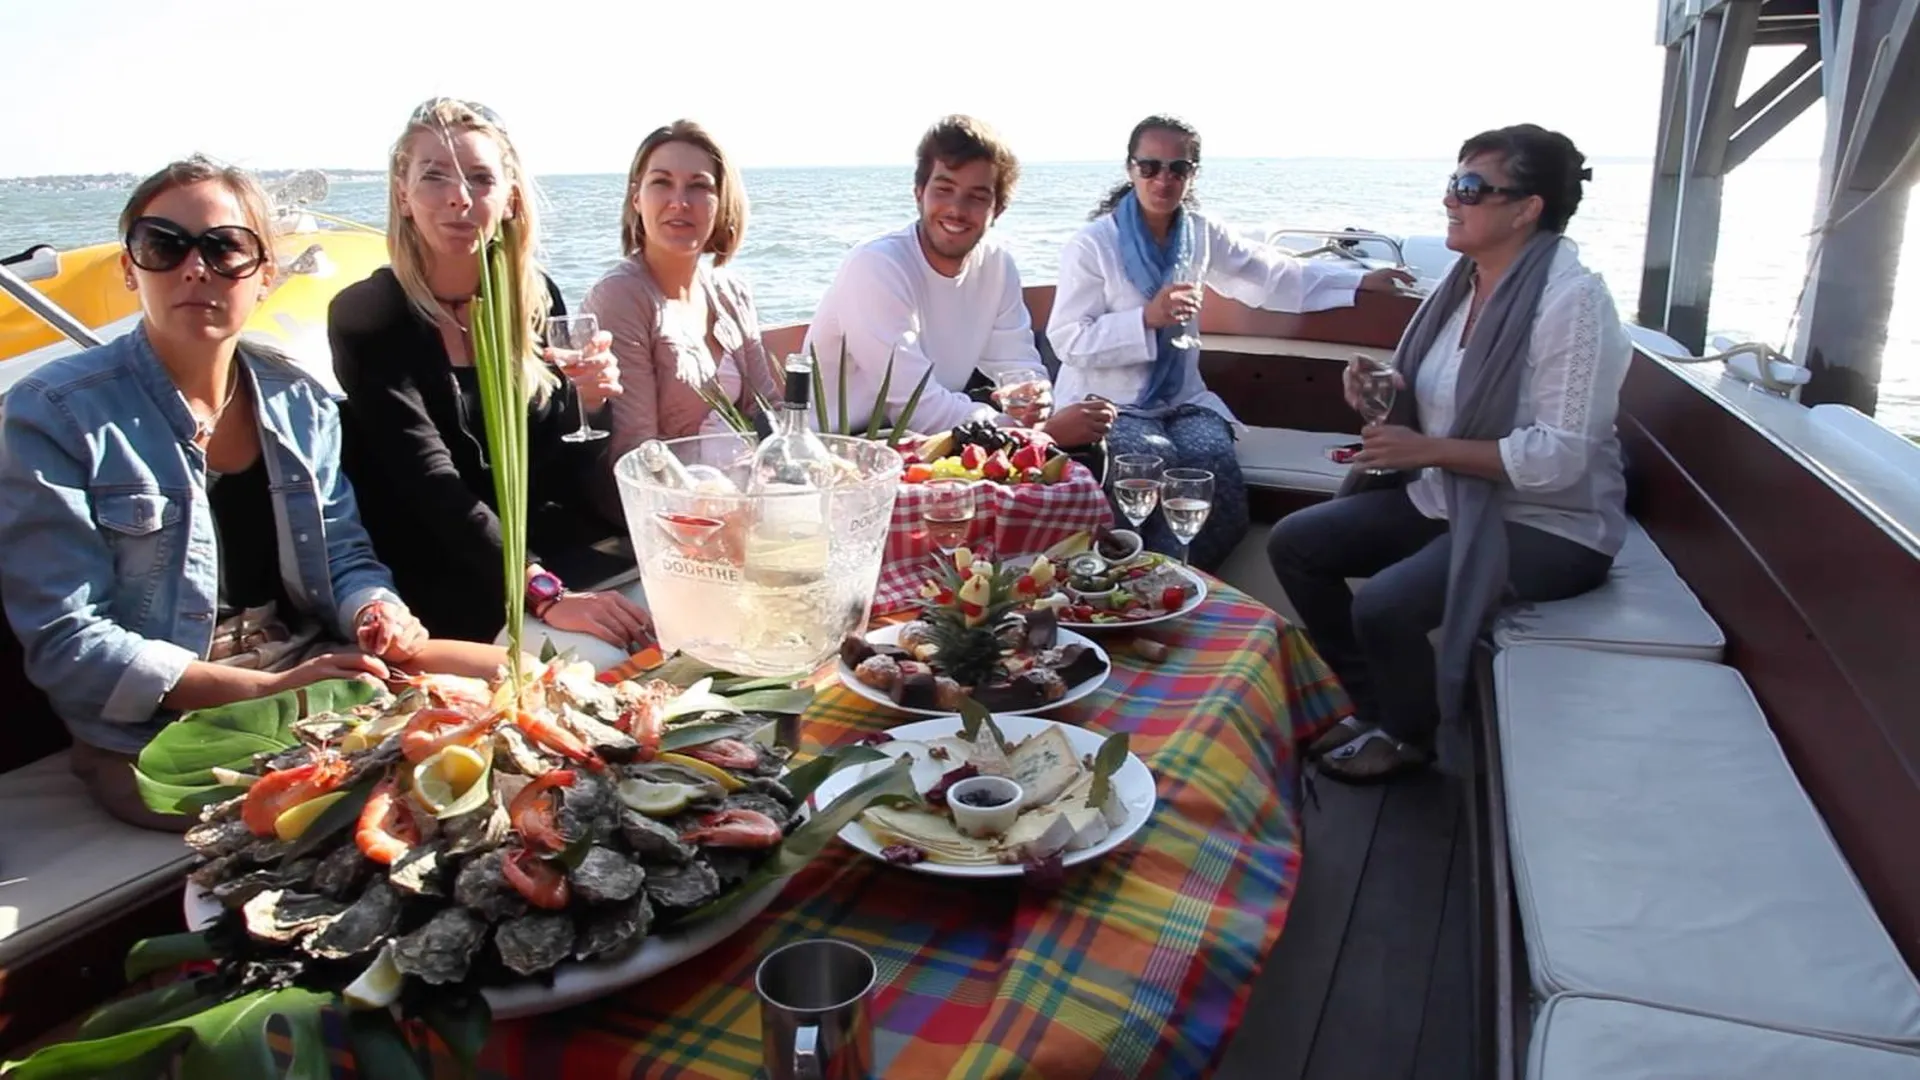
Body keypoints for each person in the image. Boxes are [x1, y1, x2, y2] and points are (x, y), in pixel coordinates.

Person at [0, 156, 499, 830]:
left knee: (529, 685)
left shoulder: (298, 401)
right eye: (164, 245)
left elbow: (343, 554)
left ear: (265, 275)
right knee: (354, 812)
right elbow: (69, 640)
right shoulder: (55, 414)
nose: (195, 268)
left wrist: (373, 609)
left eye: (225, 247)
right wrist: (269, 690)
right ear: (129, 269)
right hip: (165, 722)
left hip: (308, 669)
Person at [1267, 124, 1629, 783]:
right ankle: (1372, 704)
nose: (1449, 200)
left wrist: (1428, 448)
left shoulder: (1573, 304)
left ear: (1526, 209)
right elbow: (1442, 388)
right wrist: (1383, 389)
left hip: (1549, 524)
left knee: (1386, 605)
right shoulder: (1462, 283)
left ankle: (1411, 735)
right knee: (1297, 544)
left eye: (1470, 187)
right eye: (1453, 183)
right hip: (1451, 495)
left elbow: (1562, 458)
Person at [329, 98, 652, 649]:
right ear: (403, 196)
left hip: (544, 550)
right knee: (602, 654)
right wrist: (544, 592)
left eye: (481, 178)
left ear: (510, 199)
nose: (459, 196)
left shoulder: (533, 300)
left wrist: (591, 404)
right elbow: (430, 483)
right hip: (442, 573)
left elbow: (557, 471)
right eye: (434, 176)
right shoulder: (369, 314)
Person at [1047, 115, 1413, 571]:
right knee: (1149, 459)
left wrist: (1356, 282)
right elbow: (1068, 339)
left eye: (1178, 168)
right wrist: (1145, 319)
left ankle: (1185, 580)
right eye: (1150, 167)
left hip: (1181, 399)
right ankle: (1134, 580)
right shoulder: (1093, 244)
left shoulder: (1199, 233)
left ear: (1192, 174)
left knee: (1209, 462)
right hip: (1109, 403)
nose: (1163, 179)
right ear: (1130, 169)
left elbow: (1271, 276)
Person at [803, 114, 1116, 449]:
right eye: (944, 190)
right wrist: (1038, 435)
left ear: (998, 210)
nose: (956, 209)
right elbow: (915, 408)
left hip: (927, 439)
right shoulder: (876, 266)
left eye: (977, 196)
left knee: (1095, 448)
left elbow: (1017, 363)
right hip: (845, 447)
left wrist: (1030, 397)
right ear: (919, 193)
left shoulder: (996, 265)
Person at [583, 119, 779, 515]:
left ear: (722, 202)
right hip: (670, 516)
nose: (679, 201)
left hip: (749, 499)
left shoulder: (732, 293)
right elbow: (638, 453)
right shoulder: (621, 296)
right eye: (661, 182)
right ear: (636, 199)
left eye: (699, 186)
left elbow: (767, 410)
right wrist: (718, 508)